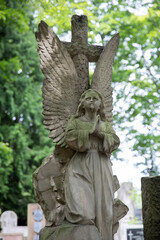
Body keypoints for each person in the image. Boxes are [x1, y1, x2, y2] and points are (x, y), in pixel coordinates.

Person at [64, 89, 120, 240]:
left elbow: (115, 141)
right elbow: (69, 137)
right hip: (80, 166)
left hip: (101, 165)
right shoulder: (75, 122)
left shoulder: (105, 125)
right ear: (81, 103)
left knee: (106, 210)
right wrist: (89, 132)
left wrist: (99, 134)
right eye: (88, 98)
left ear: (100, 104)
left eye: (95, 98)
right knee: (83, 212)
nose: (92, 100)